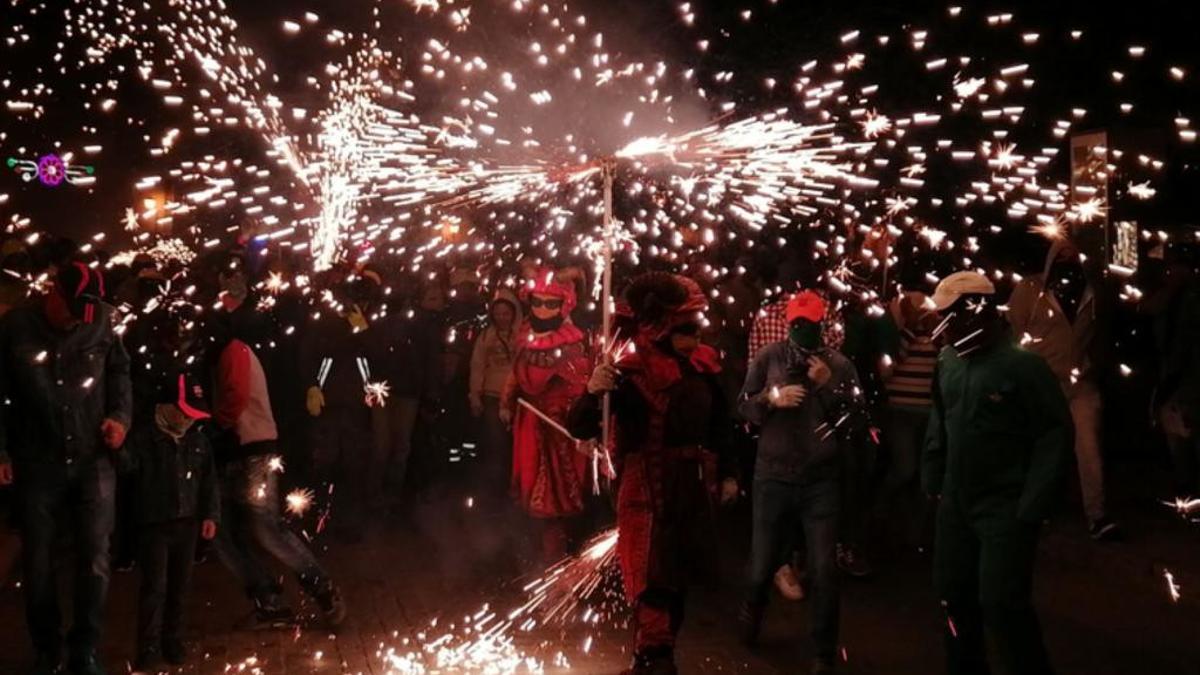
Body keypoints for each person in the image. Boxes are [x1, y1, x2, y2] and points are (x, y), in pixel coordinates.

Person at [569, 272, 738, 675]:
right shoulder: (629, 372)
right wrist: (593, 391)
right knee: (651, 579)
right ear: (662, 329)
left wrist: (729, 473)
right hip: (646, 485)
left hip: (690, 485)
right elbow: (581, 426)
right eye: (685, 331)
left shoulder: (701, 369)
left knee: (676, 579)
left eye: (697, 330)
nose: (694, 340)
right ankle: (652, 662)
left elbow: (721, 426)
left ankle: (658, 659)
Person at [922, 271, 1072, 675]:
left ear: (976, 313)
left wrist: (1032, 505)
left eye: (949, 316)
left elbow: (1054, 433)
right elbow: (940, 418)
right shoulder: (948, 361)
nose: (942, 326)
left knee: (1002, 601)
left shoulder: (1024, 367)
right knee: (953, 596)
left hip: (1004, 505)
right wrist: (933, 479)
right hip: (956, 503)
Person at [0, 262, 132, 675]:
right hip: (38, 459)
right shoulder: (14, 327)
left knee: (95, 556)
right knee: (39, 561)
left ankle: (85, 648)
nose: (77, 321)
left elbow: (120, 371)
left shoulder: (103, 321)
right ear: (53, 292)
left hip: (93, 457)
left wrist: (121, 418)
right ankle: (47, 647)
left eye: (84, 314)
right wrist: (2, 451)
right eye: (71, 309)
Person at [737, 290, 863, 674]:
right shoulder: (769, 357)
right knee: (762, 564)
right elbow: (741, 406)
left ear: (823, 325)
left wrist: (830, 387)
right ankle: (750, 618)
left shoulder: (840, 365)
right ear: (788, 323)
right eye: (797, 324)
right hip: (772, 477)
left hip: (819, 483)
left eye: (811, 324)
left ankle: (823, 652)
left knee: (824, 570)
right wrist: (770, 399)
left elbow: (857, 423)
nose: (803, 330)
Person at [204, 317, 346, 630]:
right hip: (233, 452)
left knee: (265, 528)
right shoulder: (220, 353)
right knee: (222, 531)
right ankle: (268, 599)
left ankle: (322, 588)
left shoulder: (234, 351)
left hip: (253, 450)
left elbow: (235, 399)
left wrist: (210, 428)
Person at [1008, 241, 1119, 540]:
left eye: (1074, 254)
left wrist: (1095, 363)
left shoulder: (1092, 291)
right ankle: (1031, 510)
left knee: (1088, 447)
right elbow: (1013, 333)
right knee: (1040, 448)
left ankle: (1097, 516)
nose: (1069, 258)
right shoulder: (1030, 289)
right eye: (1063, 254)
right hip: (1041, 384)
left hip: (1080, 384)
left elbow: (1103, 332)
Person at [119, 371, 219, 672]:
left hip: (187, 524)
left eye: (194, 416)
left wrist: (211, 514)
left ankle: (172, 639)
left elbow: (209, 482)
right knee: (155, 587)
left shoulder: (197, 442)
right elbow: (126, 470)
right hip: (155, 524)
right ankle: (148, 645)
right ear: (167, 407)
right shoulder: (144, 439)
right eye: (185, 413)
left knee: (180, 586)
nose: (189, 421)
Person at [501, 269, 591, 561]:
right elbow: (515, 374)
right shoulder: (525, 335)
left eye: (549, 304)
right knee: (530, 486)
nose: (541, 309)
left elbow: (579, 387)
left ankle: (560, 555)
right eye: (537, 302)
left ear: (563, 305)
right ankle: (536, 548)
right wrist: (506, 402)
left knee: (558, 494)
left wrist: (576, 417)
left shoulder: (571, 343)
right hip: (529, 421)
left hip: (559, 427)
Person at [300, 273, 381, 541]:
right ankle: (319, 520)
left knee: (354, 466)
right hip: (329, 405)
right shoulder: (327, 321)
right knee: (324, 464)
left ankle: (351, 524)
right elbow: (310, 352)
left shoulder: (372, 323)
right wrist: (312, 385)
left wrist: (363, 330)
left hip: (357, 408)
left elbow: (379, 358)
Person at [876, 286, 940, 553]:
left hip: (928, 414)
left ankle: (916, 537)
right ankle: (878, 508)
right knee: (905, 469)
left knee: (925, 477)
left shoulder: (941, 339)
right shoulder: (901, 338)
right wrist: (910, 333)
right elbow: (885, 372)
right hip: (900, 413)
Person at [468, 289, 521, 508]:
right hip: (492, 395)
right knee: (496, 444)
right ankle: (495, 490)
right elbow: (477, 367)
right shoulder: (486, 336)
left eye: (506, 313)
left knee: (516, 444)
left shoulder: (521, 335)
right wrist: (475, 396)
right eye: (498, 313)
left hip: (517, 397)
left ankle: (515, 487)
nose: (502, 318)